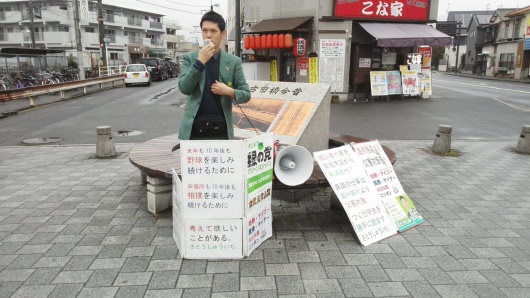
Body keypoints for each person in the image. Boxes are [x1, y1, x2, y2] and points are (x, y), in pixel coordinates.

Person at [178, 10, 251, 140]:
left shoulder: (233, 62)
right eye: (204, 31)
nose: (208, 35)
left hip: (221, 131)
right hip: (194, 131)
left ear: (223, 33)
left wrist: (229, 91)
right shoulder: (190, 58)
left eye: (213, 31)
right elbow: (184, 88)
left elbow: (246, 95)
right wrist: (200, 62)